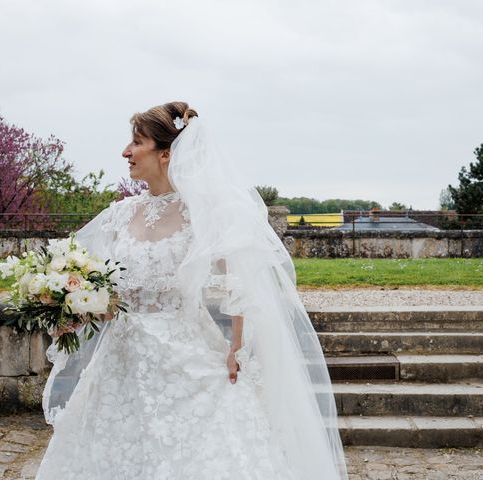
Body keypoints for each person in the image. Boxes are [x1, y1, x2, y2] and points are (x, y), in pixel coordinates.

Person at [36, 102, 348, 479]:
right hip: (119, 363)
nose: (125, 152)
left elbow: (244, 281)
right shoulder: (120, 214)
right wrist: (69, 306)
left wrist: (237, 348)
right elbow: (95, 284)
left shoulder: (204, 213)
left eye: (136, 142)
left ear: (166, 154)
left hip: (186, 361)